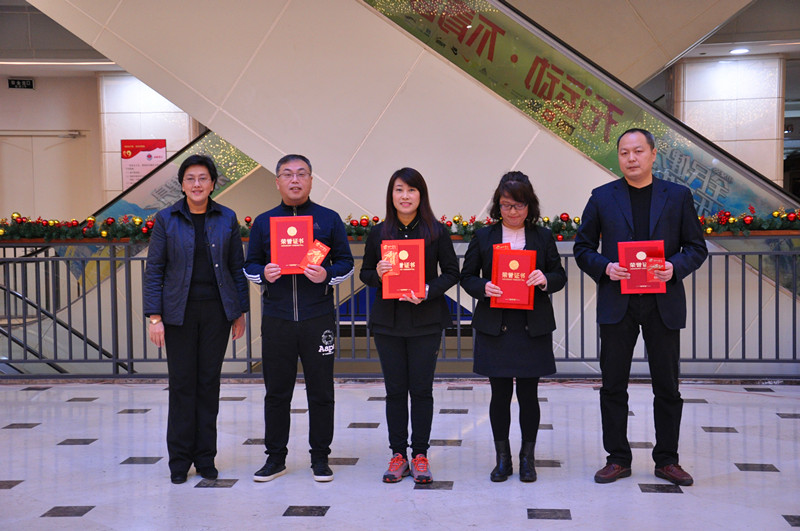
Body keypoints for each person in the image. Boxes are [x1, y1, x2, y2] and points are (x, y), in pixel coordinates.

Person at [573, 128, 708, 486]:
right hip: (618, 303)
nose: (631, 158)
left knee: (667, 386)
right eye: (624, 152)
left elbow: (696, 247)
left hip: (663, 303)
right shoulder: (602, 197)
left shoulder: (677, 196)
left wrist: (674, 267)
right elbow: (582, 248)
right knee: (613, 385)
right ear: (618, 157)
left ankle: (667, 460)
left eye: (638, 151)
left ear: (652, 154)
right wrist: (606, 267)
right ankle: (618, 458)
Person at [243, 154, 354, 483]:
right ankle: (275, 458)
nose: (295, 180)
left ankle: (320, 457)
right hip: (276, 318)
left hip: (317, 317)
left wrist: (327, 275)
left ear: (311, 180)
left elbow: (346, 262)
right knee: (277, 392)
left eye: (301, 174)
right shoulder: (264, 222)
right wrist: (263, 273)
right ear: (277, 182)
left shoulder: (328, 219)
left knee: (321, 391)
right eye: (288, 174)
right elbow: (249, 265)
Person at [143, 154, 249, 485]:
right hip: (179, 314)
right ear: (182, 185)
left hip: (217, 313)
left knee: (208, 384)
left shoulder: (226, 217)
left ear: (213, 183)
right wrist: (155, 317)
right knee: (182, 385)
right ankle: (179, 461)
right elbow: (155, 269)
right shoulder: (166, 218)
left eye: (203, 178)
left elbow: (236, 268)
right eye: (190, 179)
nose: (197, 184)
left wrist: (239, 312)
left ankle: (205, 458)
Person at [460, 171, 566, 483]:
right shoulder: (484, 236)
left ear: (529, 206)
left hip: (531, 325)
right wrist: (484, 287)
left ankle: (527, 459)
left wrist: (544, 279)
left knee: (530, 395)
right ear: (498, 205)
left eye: (519, 206)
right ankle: (503, 459)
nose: (513, 212)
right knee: (500, 394)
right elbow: (467, 277)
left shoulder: (542, 236)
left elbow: (558, 276)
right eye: (506, 205)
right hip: (497, 325)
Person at [359, 168, 459, 484]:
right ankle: (398, 454)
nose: (405, 196)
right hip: (388, 322)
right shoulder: (379, 233)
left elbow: (452, 272)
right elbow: (365, 273)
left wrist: (428, 290)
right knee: (395, 391)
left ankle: (420, 454)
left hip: (426, 321)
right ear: (391, 195)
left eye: (411, 190)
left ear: (421, 195)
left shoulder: (436, 231)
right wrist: (378, 272)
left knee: (421, 390)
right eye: (399, 190)